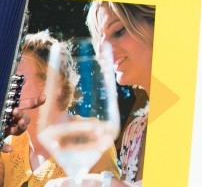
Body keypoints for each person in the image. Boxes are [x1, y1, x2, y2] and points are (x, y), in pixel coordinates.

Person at [48, 2, 155, 187]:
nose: (101, 51)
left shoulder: (198, 116)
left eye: (119, 31)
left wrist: (104, 184)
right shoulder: (134, 131)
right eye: (100, 38)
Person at [0, 32, 119, 187]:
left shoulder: (91, 137)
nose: (7, 88)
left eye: (17, 80)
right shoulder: (9, 145)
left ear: (56, 85)